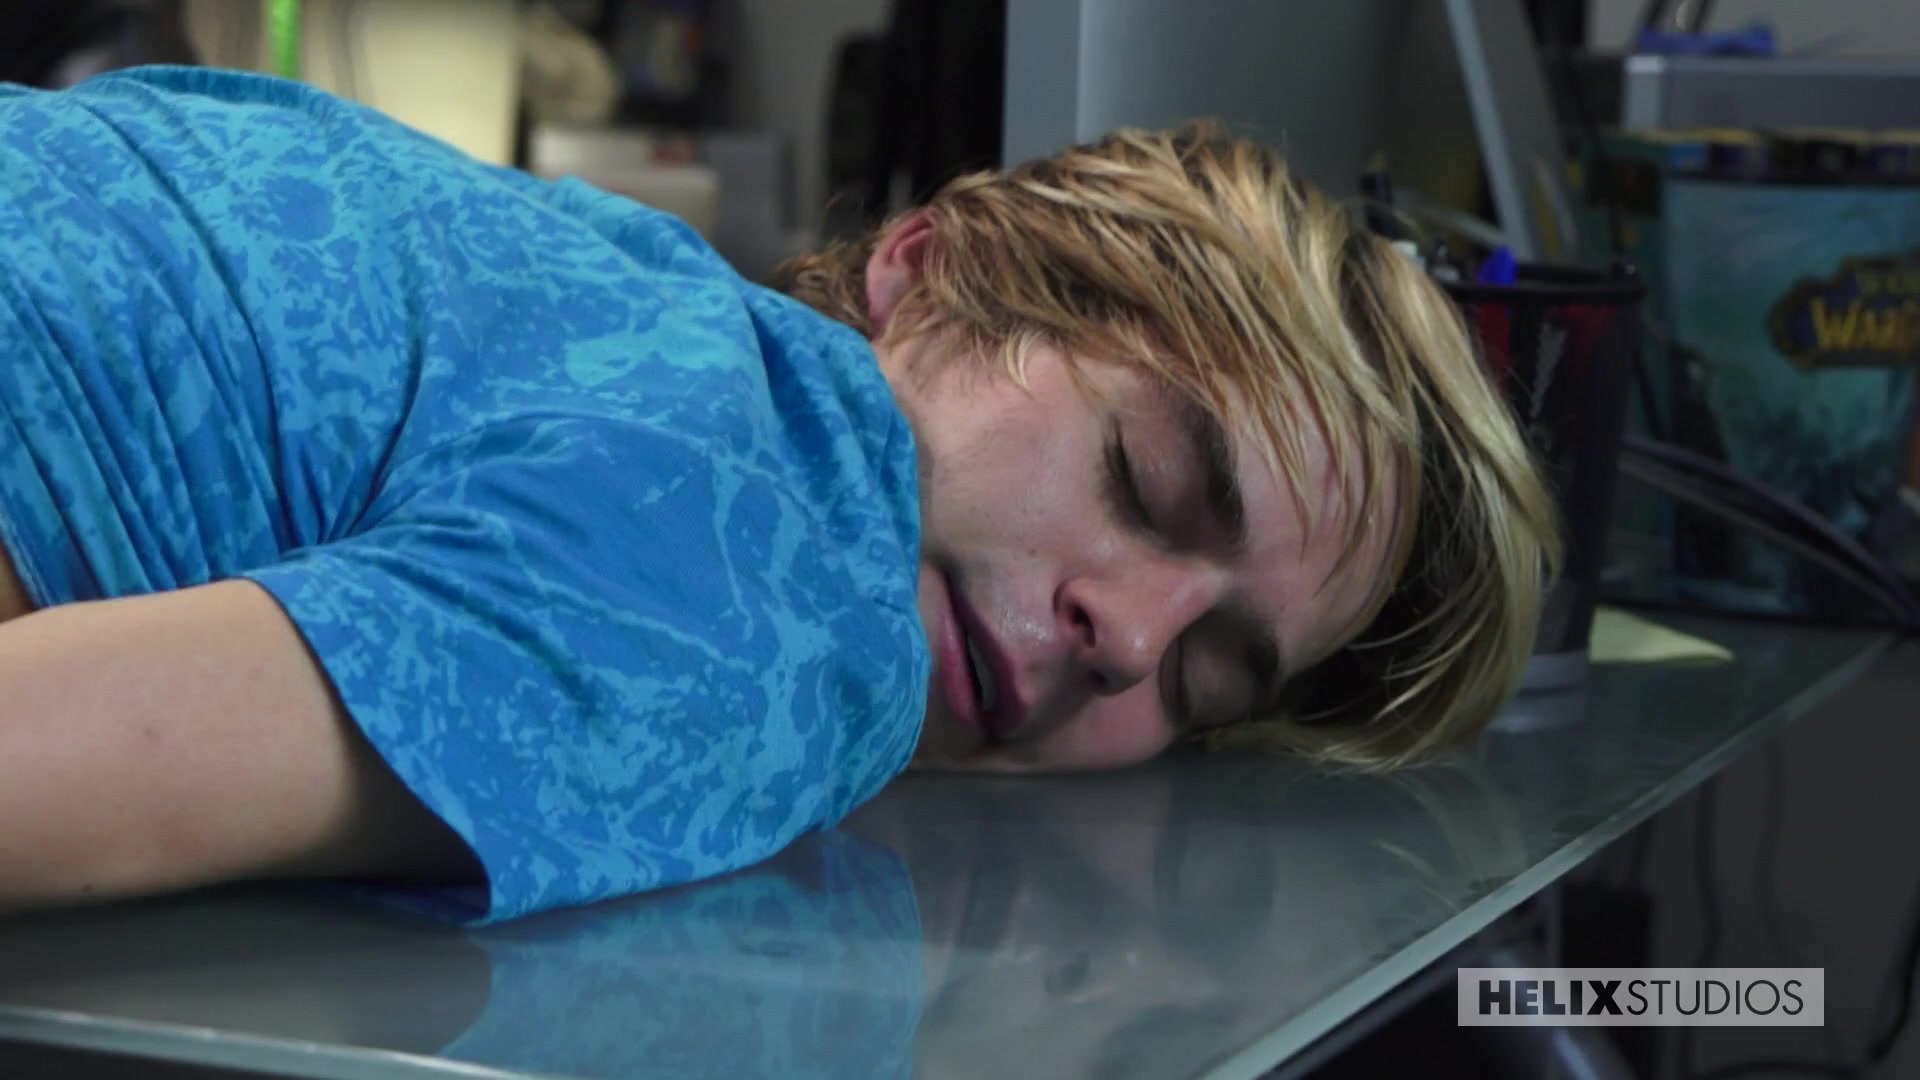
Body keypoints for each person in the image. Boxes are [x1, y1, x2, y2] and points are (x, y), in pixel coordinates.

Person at [0, 67, 1557, 924]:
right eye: (1145, 482)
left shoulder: (619, 311)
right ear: (930, 271)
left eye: (1210, 678)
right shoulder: (778, 585)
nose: (1134, 643)